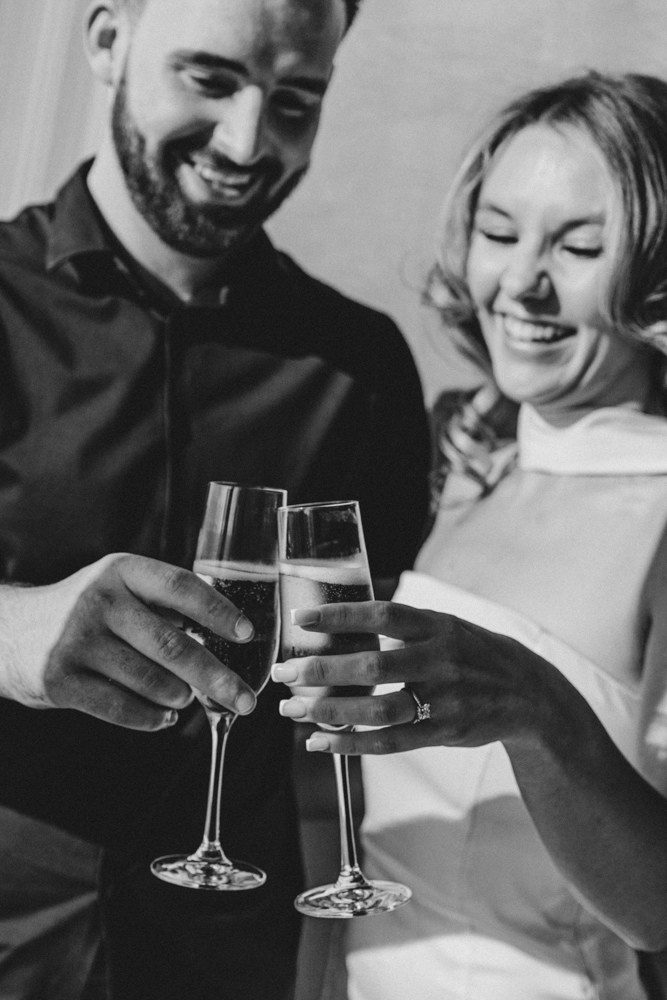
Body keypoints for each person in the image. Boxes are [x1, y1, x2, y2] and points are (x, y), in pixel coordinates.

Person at [0, 1, 431, 998]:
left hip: (221, 955)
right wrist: (9, 634)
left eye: (295, 102)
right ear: (107, 41)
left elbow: (346, 698)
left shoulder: (360, 370)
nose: (246, 142)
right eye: (209, 79)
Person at [273, 72, 667, 999]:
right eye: (498, 233)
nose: (520, 282)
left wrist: (538, 711)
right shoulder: (467, 460)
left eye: (579, 245)